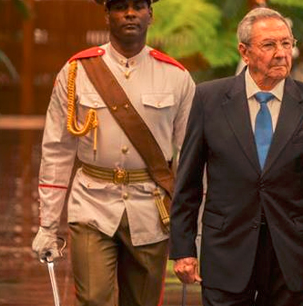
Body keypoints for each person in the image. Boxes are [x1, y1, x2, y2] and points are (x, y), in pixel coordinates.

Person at [169, 7, 303, 306]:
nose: (281, 53)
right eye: (269, 45)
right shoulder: (209, 98)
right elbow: (187, 182)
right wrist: (184, 248)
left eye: (286, 43)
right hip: (226, 249)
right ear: (245, 52)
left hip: (290, 252)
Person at [30, 0, 195, 305]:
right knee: (93, 298)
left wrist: (191, 231)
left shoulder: (177, 76)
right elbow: (57, 150)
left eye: (138, 6)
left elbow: (191, 158)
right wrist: (48, 225)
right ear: (106, 15)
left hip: (151, 207)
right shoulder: (76, 72)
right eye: (120, 6)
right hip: (92, 202)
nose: (130, 13)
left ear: (151, 14)